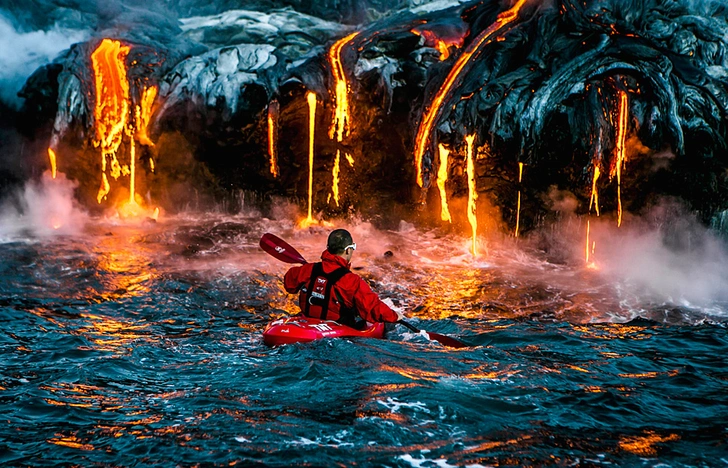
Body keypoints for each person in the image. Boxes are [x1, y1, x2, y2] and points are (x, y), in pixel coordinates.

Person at [283, 229, 405, 328]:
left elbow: (289, 284)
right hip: (336, 330)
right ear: (347, 250)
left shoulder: (308, 270)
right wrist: (394, 316)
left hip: (306, 324)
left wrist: (309, 273)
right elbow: (372, 307)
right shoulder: (352, 281)